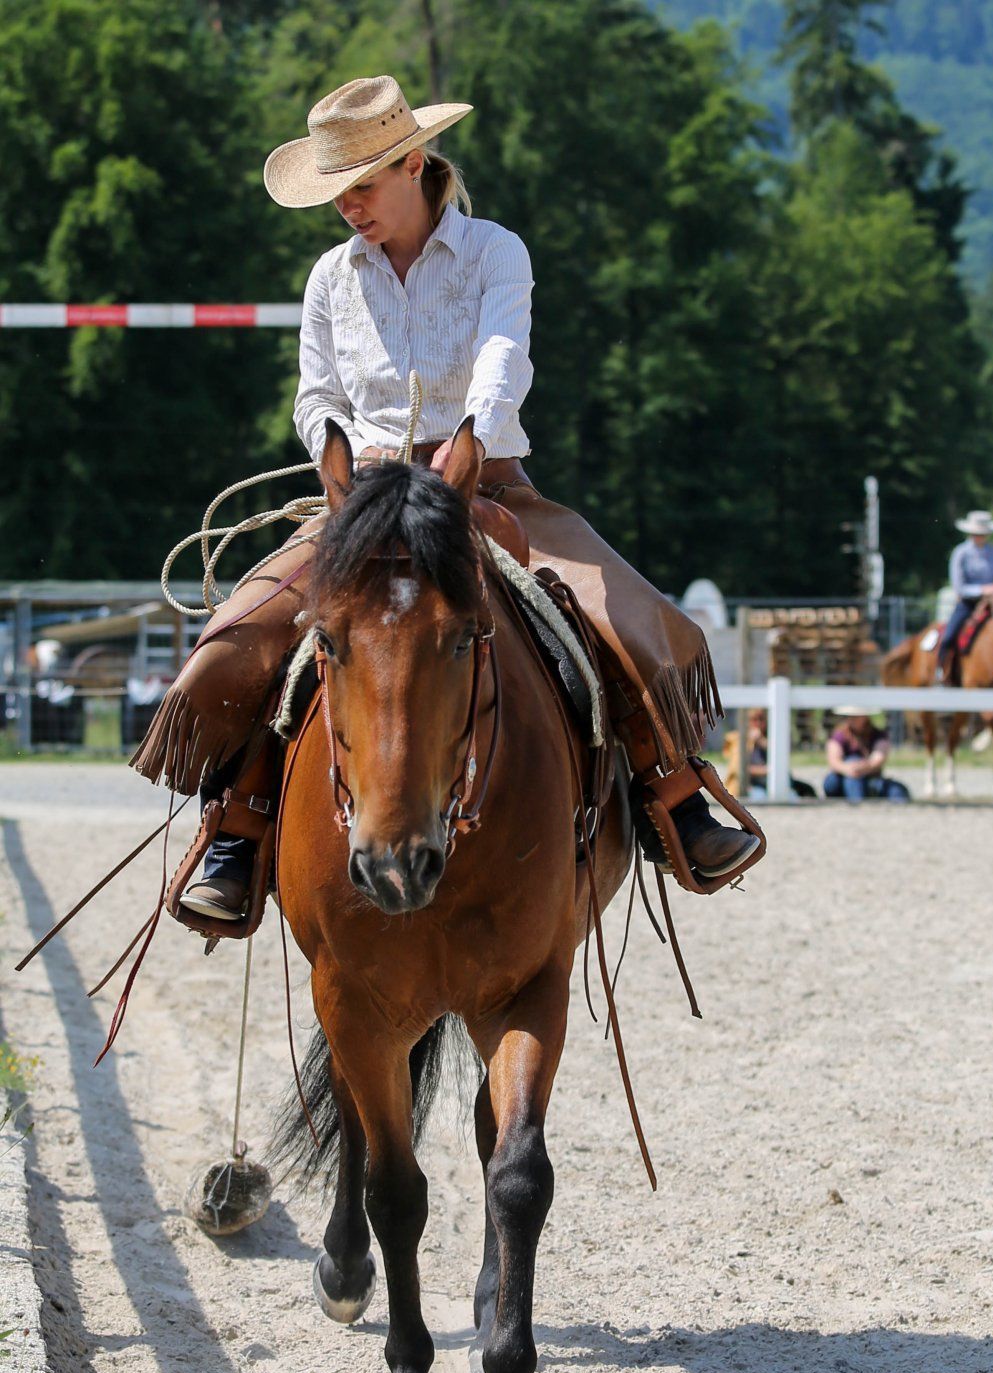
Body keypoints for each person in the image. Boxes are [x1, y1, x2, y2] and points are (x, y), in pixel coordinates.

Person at [139, 75, 759, 921]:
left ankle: (676, 797)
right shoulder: (331, 277)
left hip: (487, 484)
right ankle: (239, 828)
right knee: (242, 634)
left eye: (361, 186)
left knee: (630, 620)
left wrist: (465, 445)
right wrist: (333, 459)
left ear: (414, 163)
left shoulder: (495, 252)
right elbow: (315, 392)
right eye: (336, 193)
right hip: (362, 499)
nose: (347, 207)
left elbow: (505, 358)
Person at [937, 509, 993, 680]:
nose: (980, 537)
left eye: (983, 534)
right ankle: (940, 671)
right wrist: (983, 590)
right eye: (977, 533)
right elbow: (959, 587)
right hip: (968, 605)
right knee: (949, 636)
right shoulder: (960, 553)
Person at [724, 708, 816, 801]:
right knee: (760, 796)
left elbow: (782, 758)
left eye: (761, 719)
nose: (758, 723)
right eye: (754, 720)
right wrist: (766, 770)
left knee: (806, 790)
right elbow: (739, 769)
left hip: (772, 780)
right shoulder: (738, 741)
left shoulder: (771, 736)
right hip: (752, 783)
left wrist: (762, 742)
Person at [822, 707, 909, 802]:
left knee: (896, 790)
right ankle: (857, 801)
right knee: (849, 768)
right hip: (841, 779)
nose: (852, 719)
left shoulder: (878, 735)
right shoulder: (839, 735)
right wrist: (850, 769)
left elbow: (877, 760)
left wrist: (860, 768)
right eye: (850, 716)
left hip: (868, 777)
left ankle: (857, 801)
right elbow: (834, 761)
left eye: (856, 716)